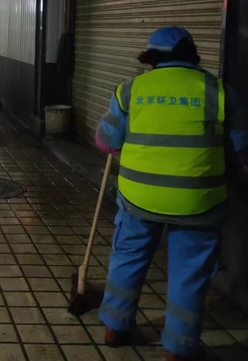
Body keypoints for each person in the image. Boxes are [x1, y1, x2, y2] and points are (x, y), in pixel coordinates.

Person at [95, 27, 248, 361]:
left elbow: (106, 142)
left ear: (151, 58)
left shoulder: (130, 91)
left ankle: (115, 328)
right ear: (192, 55)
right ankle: (178, 350)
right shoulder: (220, 92)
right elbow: (240, 150)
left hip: (138, 199)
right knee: (190, 273)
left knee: (128, 258)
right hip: (198, 202)